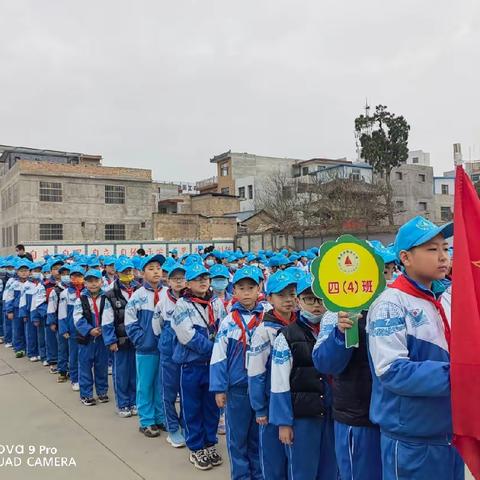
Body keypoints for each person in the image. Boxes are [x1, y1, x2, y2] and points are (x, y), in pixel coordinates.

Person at [367, 216, 464, 480]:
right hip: (412, 440)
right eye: (432, 250)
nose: (443, 256)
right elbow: (391, 371)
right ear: (406, 258)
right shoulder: (390, 304)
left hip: (449, 433)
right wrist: (459, 376)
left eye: (445, 248)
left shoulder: (443, 298)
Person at [270, 273, 337, 480]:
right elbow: (279, 382)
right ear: (298, 301)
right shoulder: (287, 336)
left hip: (331, 413)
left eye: (321, 299)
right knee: (302, 470)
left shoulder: (335, 331)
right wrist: (284, 422)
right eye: (309, 299)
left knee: (331, 469)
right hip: (303, 416)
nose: (316, 305)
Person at [210, 265, 263, 480]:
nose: (247, 292)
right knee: (237, 438)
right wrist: (219, 387)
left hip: (261, 387)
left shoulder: (267, 316)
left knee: (259, 437)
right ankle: (241, 476)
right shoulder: (229, 321)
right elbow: (219, 355)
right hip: (237, 388)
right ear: (235, 291)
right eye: (241, 288)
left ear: (259, 288)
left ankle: (260, 475)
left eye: (251, 287)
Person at [172, 263, 226, 471]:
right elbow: (187, 335)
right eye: (198, 279)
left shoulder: (216, 302)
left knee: (211, 407)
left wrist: (220, 349)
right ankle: (196, 447)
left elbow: (222, 328)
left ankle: (210, 443)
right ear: (188, 283)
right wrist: (215, 350)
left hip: (211, 367)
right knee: (192, 408)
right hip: (191, 365)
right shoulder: (183, 305)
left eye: (206, 278)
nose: (203, 282)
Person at [247, 270, 298, 479]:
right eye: (281, 295)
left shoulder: (301, 325)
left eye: (292, 294)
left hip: (296, 400)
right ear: (269, 298)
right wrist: (260, 408)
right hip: (271, 403)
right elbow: (256, 372)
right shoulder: (264, 331)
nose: (288, 300)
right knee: (273, 459)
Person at [125, 254, 166, 438]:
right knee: (145, 385)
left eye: (158, 268)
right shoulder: (138, 296)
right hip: (146, 349)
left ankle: (160, 417)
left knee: (161, 384)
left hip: (164, 349)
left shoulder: (167, 294)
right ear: (142, 273)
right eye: (151, 268)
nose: (156, 271)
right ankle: (146, 421)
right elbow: (130, 322)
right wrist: (141, 340)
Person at [102, 257, 140, 417]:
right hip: (120, 340)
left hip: (137, 340)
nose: (128, 274)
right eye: (124, 271)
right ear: (117, 273)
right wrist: (111, 340)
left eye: (130, 270)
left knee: (135, 373)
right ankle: (123, 404)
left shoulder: (139, 290)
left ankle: (134, 402)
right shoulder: (111, 293)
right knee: (122, 373)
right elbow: (107, 319)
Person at [156, 261, 187, 447]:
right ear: (168, 281)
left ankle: (185, 424)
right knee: (168, 391)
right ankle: (172, 428)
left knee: (185, 392)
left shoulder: (190, 300)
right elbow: (156, 326)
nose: (178, 282)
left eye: (182, 278)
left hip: (186, 352)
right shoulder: (162, 301)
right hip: (168, 352)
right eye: (174, 279)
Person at [73, 269, 109, 406]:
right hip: (86, 339)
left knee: (102, 365)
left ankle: (102, 391)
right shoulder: (81, 299)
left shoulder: (106, 297)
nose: (93, 284)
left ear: (101, 282)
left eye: (96, 281)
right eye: (90, 281)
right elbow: (77, 318)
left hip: (102, 337)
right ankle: (86, 394)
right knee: (85, 366)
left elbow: (109, 315)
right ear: (85, 283)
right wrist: (89, 330)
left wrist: (104, 330)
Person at [58, 265, 86, 390]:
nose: (77, 278)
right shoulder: (66, 293)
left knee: (85, 356)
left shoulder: (87, 291)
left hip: (86, 329)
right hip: (73, 329)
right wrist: (64, 329)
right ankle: (75, 379)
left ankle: (85, 378)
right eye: (74, 276)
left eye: (79, 276)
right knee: (73, 355)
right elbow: (62, 312)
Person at [4, 259, 31, 358]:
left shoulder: (32, 284)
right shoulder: (14, 284)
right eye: (21, 271)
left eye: (26, 270)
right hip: (16, 310)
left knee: (28, 330)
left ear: (29, 272)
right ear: (17, 272)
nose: (24, 273)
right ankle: (19, 349)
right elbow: (9, 298)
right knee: (17, 329)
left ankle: (29, 349)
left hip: (27, 310)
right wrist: (9, 311)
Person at [47, 264, 70, 377]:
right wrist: (52, 322)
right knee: (62, 347)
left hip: (73, 323)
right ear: (60, 276)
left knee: (73, 348)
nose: (66, 276)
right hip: (60, 322)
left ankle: (72, 368)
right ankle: (62, 370)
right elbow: (51, 307)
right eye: (64, 274)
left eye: (68, 274)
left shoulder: (77, 290)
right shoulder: (55, 290)